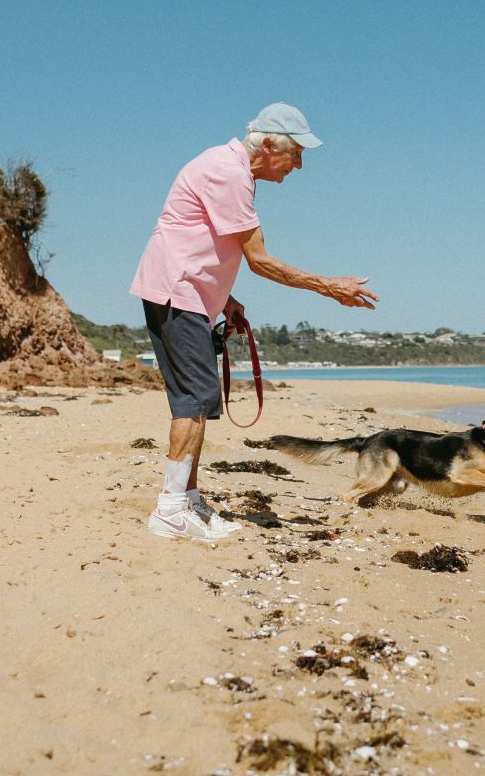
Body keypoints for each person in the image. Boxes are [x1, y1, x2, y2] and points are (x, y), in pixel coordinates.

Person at [130, 103, 377, 542]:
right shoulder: (228, 173)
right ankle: (169, 509)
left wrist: (227, 299)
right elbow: (259, 260)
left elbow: (202, 239)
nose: (299, 164)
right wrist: (329, 286)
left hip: (183, 292)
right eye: (296, 153)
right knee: (194, 401)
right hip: (178, 293)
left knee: (199, 401)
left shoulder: (229, 168)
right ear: (267, 145)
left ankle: (185, 500)